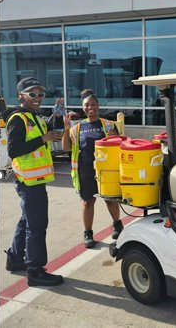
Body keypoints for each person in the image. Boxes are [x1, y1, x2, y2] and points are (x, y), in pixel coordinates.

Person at [3, 77, 64, 287]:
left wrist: (54, 121)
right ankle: (35, 270)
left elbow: (39, 138)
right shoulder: (19, 119)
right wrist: (43, 139)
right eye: (32, 94)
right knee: (37, 226)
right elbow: (13, 150)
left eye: (40, 94)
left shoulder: (33, 116)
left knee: (26, 220)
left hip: (33, 179)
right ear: (21, 96)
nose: (37, 98)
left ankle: (15, 257)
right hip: (29, 181)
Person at [61, 92, 123, 249]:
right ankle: (88, 233)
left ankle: (117, 224)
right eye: (87, 105)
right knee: (88, 202)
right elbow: (66, 148)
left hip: (106, 171)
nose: (90, 107)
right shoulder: (77, 128)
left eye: (93, 104)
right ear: (83, 108)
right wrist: (66, 129)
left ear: (98, 106)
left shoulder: (108, 124)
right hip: (86, 170)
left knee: (110, 199)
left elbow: (120, 144)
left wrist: (114, 136)